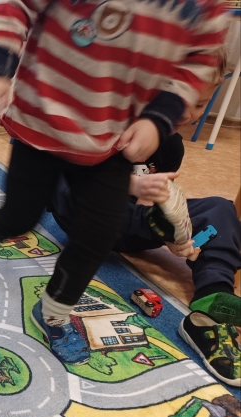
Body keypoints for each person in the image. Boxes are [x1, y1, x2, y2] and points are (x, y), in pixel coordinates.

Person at [0, 0, 229, 366]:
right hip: (42, 122)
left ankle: (53, 312)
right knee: (21, 216)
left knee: (97, 236)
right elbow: (18, 5)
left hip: (111, 140)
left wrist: (158, 117)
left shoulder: (205, 7)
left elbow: (201, 58)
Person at [49, 59, 241, 386]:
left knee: (220, 210)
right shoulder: (104, 128)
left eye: (200, 104)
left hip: (132, 221)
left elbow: (147, 206)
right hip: (85, 220)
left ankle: (212, 298)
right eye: (181, 102)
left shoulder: (171, 144)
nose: (191, 114)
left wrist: (169, 231)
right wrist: (161, 224)